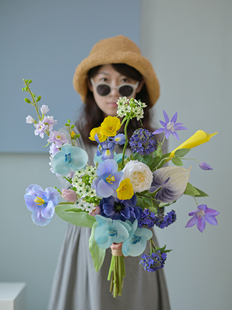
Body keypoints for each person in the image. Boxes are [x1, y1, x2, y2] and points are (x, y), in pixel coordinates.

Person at [48, 35, 170, 310]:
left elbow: (159, 197)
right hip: (89, 242)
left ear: (139, 87)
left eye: (125, 86)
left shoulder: (156, 141)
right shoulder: (69, 139)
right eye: (104, 85)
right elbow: (78, 196)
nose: (114, 93)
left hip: (136, 242)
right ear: (91, 86)